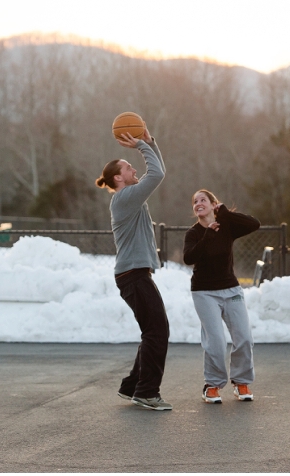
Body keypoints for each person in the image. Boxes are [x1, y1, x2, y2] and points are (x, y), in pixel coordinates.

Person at [95, 127, 171, 411]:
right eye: (128, 167)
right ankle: (147, 392)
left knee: (153, 331)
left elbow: (157, 171)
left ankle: (133, 387)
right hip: (133, 276)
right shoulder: (125, 198)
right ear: (118, 177)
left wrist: (150, 142)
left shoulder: (129, 198)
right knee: (157, 332)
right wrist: (141, 145)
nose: (133, 168)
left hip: (134, 275)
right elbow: (157, 175)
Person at [182, 189, 260, 404]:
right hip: (204, 292)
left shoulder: (227, 225)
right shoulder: (194, 233)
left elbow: (254, 224)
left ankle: (241, 382)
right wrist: (208, 235)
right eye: (195, 201)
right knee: (215, 341)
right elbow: (189, 257)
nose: (198, 203)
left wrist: (224, 213)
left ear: (213, 204)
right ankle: (213, 385)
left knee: (244, 337)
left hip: (230, 289)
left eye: (203, 200)